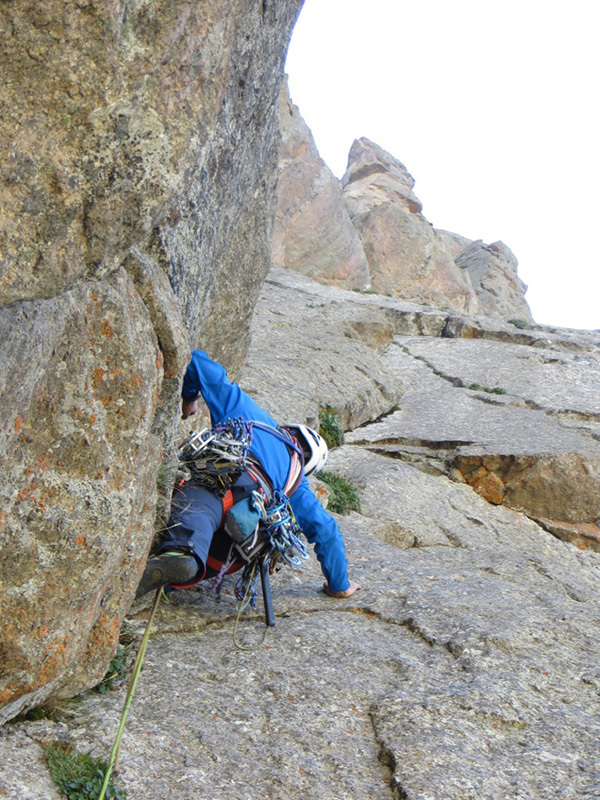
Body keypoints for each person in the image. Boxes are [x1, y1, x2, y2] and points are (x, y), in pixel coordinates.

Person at [136, 350, 361, 600]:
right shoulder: (296, 482)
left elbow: (196, 360)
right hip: (243, 525)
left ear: (289, 430)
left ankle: (181, 553)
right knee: (234, 549)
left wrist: (189, 397)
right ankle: (173, 579)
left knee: (200, 502)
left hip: (219, 476)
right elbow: (326, 530)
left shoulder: (246, 411)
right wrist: (340, 584)